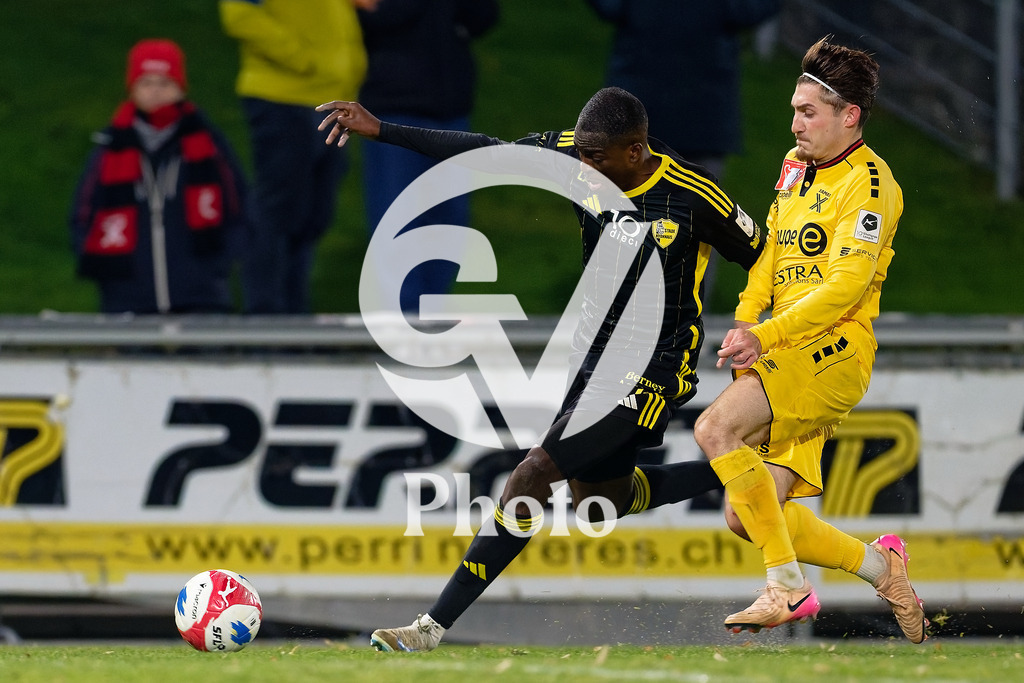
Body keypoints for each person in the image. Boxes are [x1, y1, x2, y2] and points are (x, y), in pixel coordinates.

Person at [316, 86, 766, 651]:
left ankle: (429, 628)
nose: (584, 168)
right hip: (592, 358)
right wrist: (383, 129)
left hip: (654, 367)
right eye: (581, 156)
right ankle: (749, 469)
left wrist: (762, 331)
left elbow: (769, 259)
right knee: (604, 500)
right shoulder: (575, 156)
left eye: (596, 158)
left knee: (532, 473)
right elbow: (487, 152)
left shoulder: (693, 196)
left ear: (635, 151)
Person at [692, 37, 928, 643]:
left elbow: (847, 286)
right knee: (747, 514)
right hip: (785, 349)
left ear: (849, 116)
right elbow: (773, 250)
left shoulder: (871, 183)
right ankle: (882, 567)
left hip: (834, 350)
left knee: (714, 429)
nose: (795, 124)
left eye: (808, 113)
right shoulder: (796, 167)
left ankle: (788, 586)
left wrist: (768, 331)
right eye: (795, 110)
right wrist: (747, 318)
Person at [587, 1, 781, 307]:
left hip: (644, 100)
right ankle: (682, 311)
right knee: (700, 217)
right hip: (702, 106)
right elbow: (749, 9)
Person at [70, 38, 247, 314]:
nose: (156, 91)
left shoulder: (208, 145)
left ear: (180, 88)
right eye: (146, 83)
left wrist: (219, 264)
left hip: (202, 296)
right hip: (127, 297)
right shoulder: (110, 147)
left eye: (165, 83)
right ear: (132, 89)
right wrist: (107, 273)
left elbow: (238, 207)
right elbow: (83, 215)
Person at [219, 0, 375, 313]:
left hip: (330, 98)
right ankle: (266, 317)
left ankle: (293, 315)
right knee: (278, 211)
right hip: (284, 96)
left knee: (312, 214)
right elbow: (238, 12)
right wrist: (300, 58)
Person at [357, 0, 499, 314]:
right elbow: (377, 16)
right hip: (393, 108)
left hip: (450, 108)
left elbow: (483, 15)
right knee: (397, 217)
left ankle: (431, 313)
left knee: (450, 218)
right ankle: (399, 318)